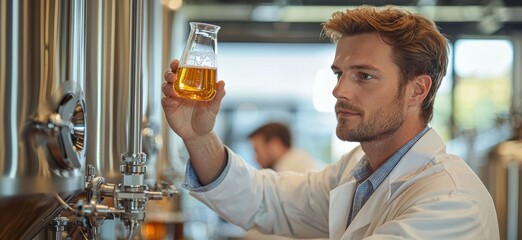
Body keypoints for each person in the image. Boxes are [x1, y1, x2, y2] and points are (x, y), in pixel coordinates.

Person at [162, 5, 499, 239]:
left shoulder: (451, 201)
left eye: (364, 76)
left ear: (417, 90)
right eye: (340, 74)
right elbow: (268, 201)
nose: (339, 90)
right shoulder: (359, 170)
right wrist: (198, 136)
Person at [248, 122, 322, 173]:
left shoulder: (289, 168)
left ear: (275, 144)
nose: (256, 159)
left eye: (256, 150)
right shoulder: (296, 157)